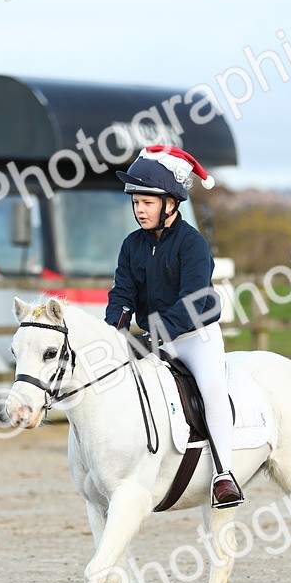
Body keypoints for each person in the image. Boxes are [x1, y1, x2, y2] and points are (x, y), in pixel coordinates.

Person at [105, 145, 244, 509]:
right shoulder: (131, 246)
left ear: (170, 204)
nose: (139, 209)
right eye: (136, 202)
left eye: (147, 203)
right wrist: (114, 329)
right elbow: (122, 293)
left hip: (195, 336)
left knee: (212, 390)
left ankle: (224, 475)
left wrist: (154, 333)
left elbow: (195, 300)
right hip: (154, 339)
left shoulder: (193, 244)